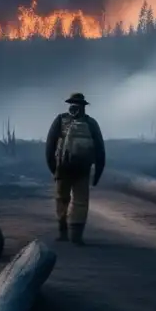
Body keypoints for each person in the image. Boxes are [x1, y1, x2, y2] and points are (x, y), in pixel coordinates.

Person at [45, 92, 106, 245]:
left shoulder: (61, 120)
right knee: (81, 202)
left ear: (70, 104)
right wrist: (97, 174)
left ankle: (63, 233)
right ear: (84, 106)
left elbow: (49, 147)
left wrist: (54, 169)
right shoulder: (91, 123)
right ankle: (77, 236)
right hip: (83, 169)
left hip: (63, 168)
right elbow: (100, 150)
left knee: (61, 199)